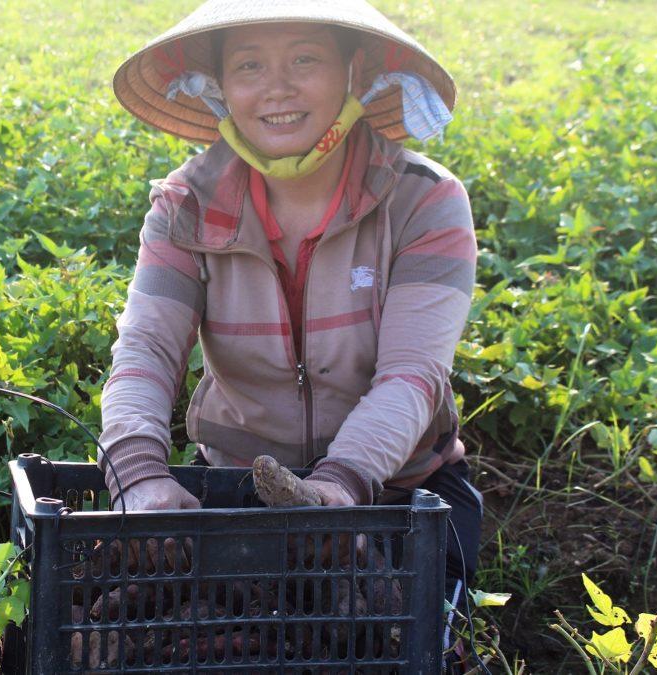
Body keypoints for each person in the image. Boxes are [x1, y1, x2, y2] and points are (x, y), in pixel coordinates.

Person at [100, 0, 483, 663]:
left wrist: (338, 489)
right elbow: (147, 348)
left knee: (386, 640)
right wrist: (138, 475)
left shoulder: (424, 202)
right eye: (250, 65)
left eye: (305, 58)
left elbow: (413, 376)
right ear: (222, 87)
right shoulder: (183, 209)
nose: (276, 88)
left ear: (355, 72)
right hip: (239, 485)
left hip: (398, 490)